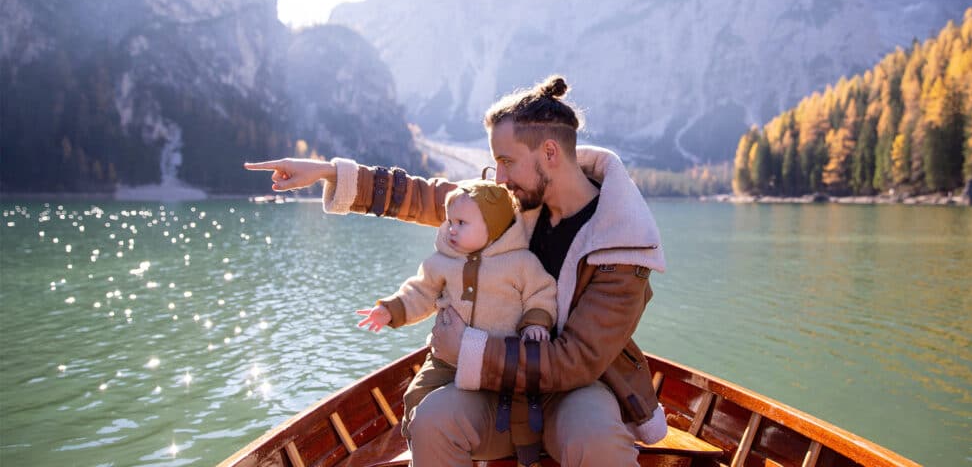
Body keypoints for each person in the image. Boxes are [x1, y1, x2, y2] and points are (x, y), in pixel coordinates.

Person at [245, 75, 667, 467]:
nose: (498, 178)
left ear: (550, 154)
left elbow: (576, 361)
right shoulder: (513, 201)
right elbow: (427, 197)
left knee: (598, 440)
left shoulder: (622, 242)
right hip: (493, 389)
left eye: (506, 161)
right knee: (432, 421)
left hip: (573, 390)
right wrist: (328, 173)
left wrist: (467, 347)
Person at [355, 179, 557, 466]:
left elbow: (542, 293)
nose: (452, 228)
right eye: (450, 221)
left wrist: (536, 322)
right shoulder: (443, 261)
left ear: (493, 226)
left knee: (520, 408)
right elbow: (420, 291)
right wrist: (392, 309)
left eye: (462, 223)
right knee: (416, 394)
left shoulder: (521, 263)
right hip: (446, 362)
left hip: (499, 362)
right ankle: (421, 447)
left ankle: (527, 454)